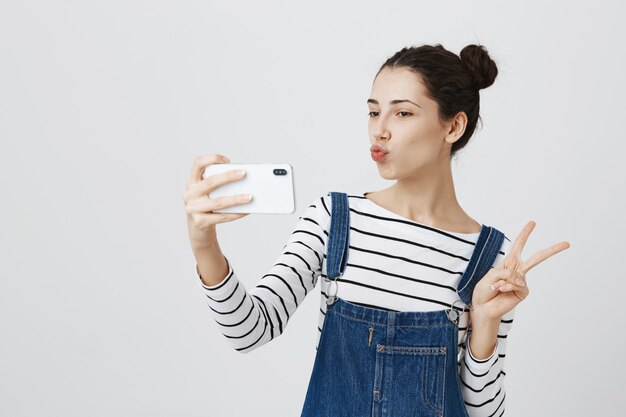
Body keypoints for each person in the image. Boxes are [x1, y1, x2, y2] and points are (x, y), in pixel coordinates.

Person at [182, 43, 570, 417]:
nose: (379, 131)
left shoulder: (493, 257)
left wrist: (485, 322)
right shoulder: (334, 219)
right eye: (373, 112)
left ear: (453, 126)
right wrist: (204, 245)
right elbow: (249, 331)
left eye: (402, 114)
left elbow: (484, 413)